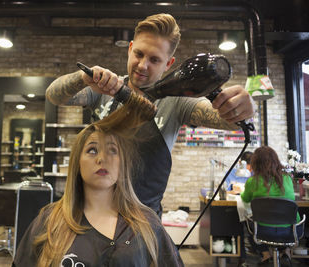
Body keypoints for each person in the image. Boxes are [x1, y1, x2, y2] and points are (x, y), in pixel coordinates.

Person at [46, 13, 254, 217]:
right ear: (129, 49)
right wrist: (83, 77)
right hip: (91, 216)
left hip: (142, 225)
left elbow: (229, 122)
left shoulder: (177, 101)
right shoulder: (103, 89)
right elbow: (54, 95)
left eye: (155, 60)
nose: (143, 65)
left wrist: (241, 108)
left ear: (169, 64)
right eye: (139, 54)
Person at [13, 99, 183, 266]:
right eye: (92, 150)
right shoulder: (50, 221)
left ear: (122, 164)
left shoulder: (147, 224)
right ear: (77, 163)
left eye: (112, 150)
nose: (102, 158)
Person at [241, 146, 302, 264]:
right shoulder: (287, 178)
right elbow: (291, 199)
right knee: (287, 221)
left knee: (247, 222)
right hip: (291, 231)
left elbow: (245, 198)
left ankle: (265, 254)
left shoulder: (253, 181)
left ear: (255, 163)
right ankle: (286, 251)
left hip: (263, 231)